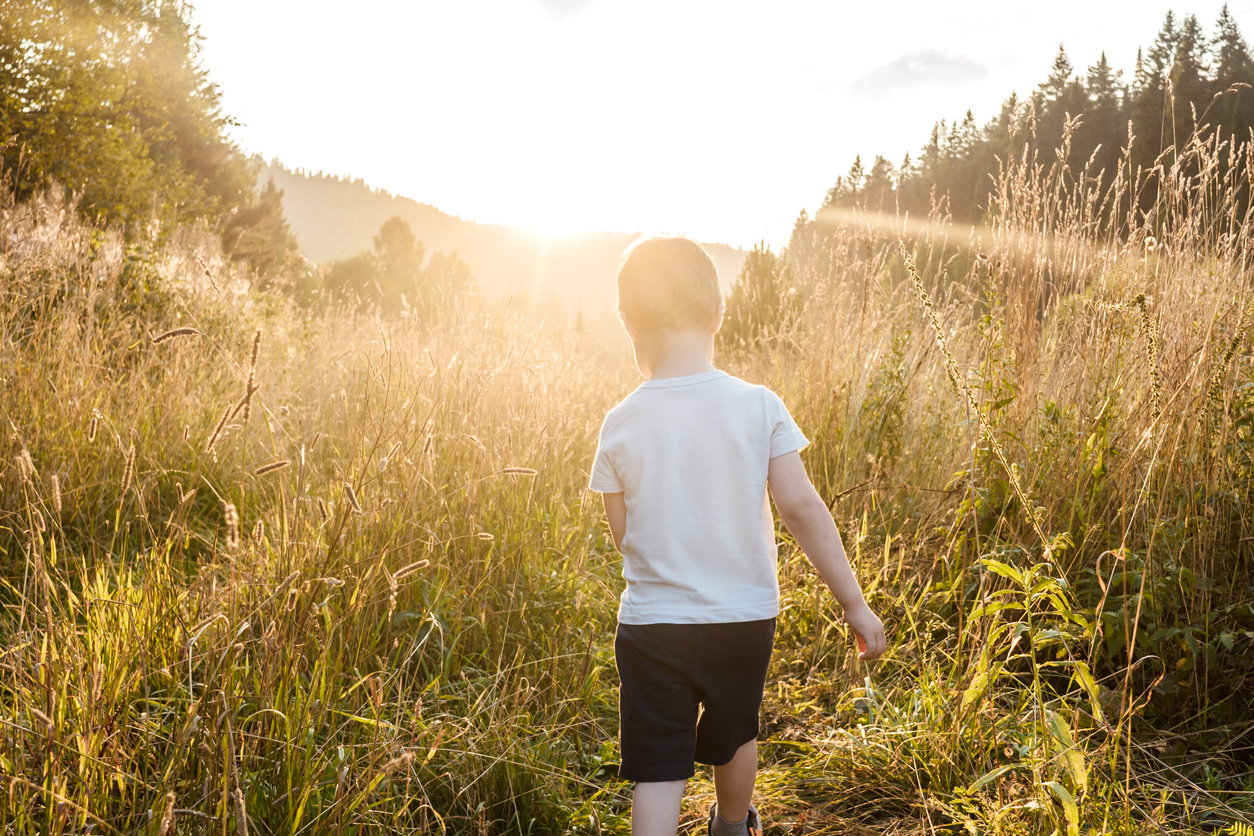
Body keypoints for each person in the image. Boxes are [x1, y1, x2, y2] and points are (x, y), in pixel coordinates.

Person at [588, 236, 887, 836]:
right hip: (742, 620)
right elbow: (801, 507)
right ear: (718, 314)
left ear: (628, 323)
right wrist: (853, 603)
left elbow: (624, 535)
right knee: (734, 732)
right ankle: (730, 825)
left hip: (652, 626)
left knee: (658, 768)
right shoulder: (758, 406)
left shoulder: (619, 423)